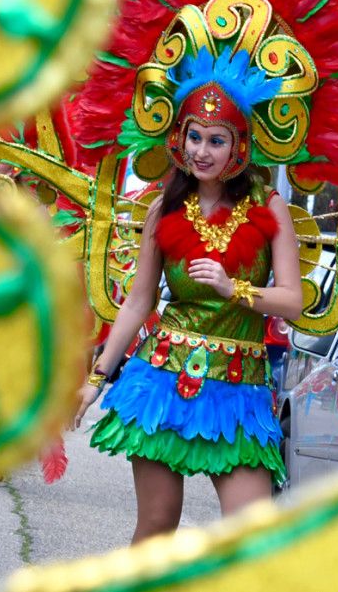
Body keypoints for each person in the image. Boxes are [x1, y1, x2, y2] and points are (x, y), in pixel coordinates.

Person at [72, 47, 304, 542]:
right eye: (194, 136)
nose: (203, 150)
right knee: (157, 525)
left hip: (240, 389)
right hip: (161, 382)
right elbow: (138, 302)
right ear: (179, 139)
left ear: (238, 147)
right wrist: (95, 378)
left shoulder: (269, 207)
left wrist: (234, 287)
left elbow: (292, 300)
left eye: (216, 140)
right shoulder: (165, 208)